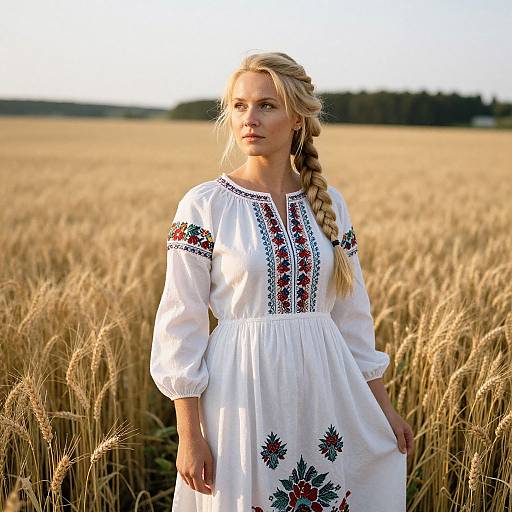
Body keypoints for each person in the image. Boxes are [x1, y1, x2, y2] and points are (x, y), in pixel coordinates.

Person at [150, 51, 414, 511]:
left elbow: (352, 317)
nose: (249, 118)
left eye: (266, 105)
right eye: (239, 105)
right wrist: (189, 435)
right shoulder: (205, 204)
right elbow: (182, 322)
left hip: (323, 385)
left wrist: (383, 407)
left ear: (296, 118)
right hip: (240, 392)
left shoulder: (330, 204)